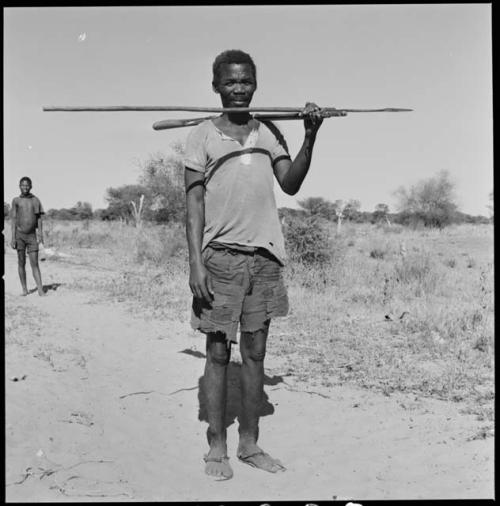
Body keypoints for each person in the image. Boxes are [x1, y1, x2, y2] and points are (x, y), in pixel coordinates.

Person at [184, 49, 325, 480]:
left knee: (256, 352)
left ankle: (248, 443)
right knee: (217, 352)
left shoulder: (268, 131)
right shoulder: (201, 136)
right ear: (216, 86)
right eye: (230, 82)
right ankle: (216, 444)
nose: (239, 89)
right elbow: (192, 206)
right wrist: (196, 264)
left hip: (264, 259)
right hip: (220, 259)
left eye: (246, 81)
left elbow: (291, 183)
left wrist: (310, 135)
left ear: (255, 84)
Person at [10, 177, 46, 296]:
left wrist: (40, 235)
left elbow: (39, 219)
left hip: (32, 236)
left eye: (27, 185)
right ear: (19, 186)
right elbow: (14, 219)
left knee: (34, 263)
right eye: (22, 185)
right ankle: (24, 289)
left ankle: (40, 290)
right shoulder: (16, 201)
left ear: (31, 186)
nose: (25, 187)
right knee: (21, 263)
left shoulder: (35, 200)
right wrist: (13, 238)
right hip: (19, 236)